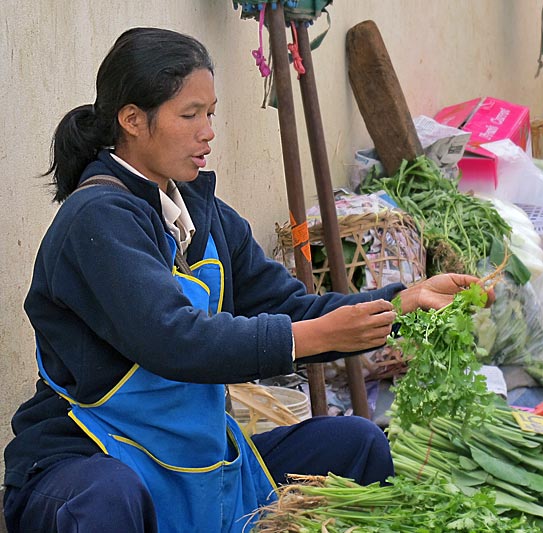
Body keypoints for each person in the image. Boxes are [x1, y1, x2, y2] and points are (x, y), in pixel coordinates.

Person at [3, 27, 490, 533]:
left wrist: (399, 305)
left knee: (359, 446)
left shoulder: (204, 214)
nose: (208, 131)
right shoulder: (97, 218)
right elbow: (172, 338)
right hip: (91, 456)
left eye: (210, 113)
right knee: (105, 500)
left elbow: (286, 306)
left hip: (192, 457)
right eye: (189, 114)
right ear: (132, 120)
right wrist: (315, 337)